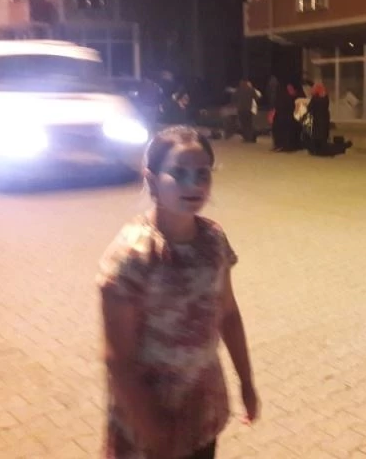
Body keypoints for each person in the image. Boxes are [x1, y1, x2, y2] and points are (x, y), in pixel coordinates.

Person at [98, 126, 259, 459]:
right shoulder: (131, 256)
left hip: (202, 413)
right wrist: (153, 432)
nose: (194, 184)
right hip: (149, 423)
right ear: (153, 180)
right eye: (179, 173)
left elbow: (228, 314)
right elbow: (118, 359)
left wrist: (246, 381)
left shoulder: (213, 240)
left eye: (202, 174)